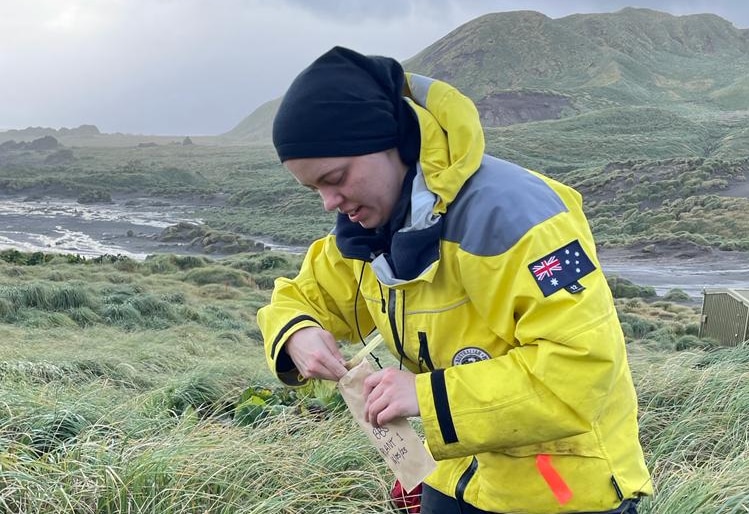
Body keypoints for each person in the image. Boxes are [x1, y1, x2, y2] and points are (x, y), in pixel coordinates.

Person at [257, 46, 653, 514]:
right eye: (314, 188)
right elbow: (303, 295)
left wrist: (424, 396)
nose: (328, 202)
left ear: (390, 142)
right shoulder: (369, 232)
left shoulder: (518, 217)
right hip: (454, 473)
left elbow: (581, 371)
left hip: (560, 489)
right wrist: (297, 333)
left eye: (336, 177)